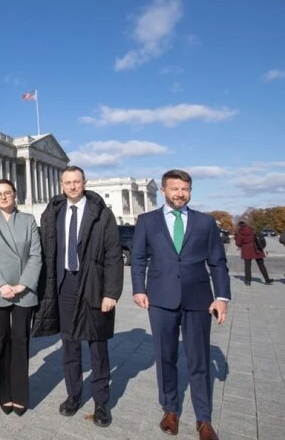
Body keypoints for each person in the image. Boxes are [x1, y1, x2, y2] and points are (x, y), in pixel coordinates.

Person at [131, 169, 230, 440]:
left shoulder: (205, 222)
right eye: (174, 188)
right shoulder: (147, 221)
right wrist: (138, 289)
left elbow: (218, 263)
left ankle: (204, 418)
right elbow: (138, 258)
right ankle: (170, 409)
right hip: (161, 299)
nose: (179, 193)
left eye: (184, 189)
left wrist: (221, 297)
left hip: (198, 299)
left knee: (199, 360)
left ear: (190, 191)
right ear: (163, 190)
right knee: (166, 357)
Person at [32, 165, 123, 428]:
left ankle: (101, 403)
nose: (72, 186)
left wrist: (111, 293)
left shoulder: (102, 214)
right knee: (69, 346)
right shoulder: (53, 212)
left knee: (98, 347)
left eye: (76, 181)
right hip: (65, 285)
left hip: (94, 285)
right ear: (61, 185)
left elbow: (114, 256)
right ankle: (74, 395)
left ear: (85, 183)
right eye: (67, 182)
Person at [0, 179, 41, 416]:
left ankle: (20, 394)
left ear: (15, 194)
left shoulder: (28, 220)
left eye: (7, 193)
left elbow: (36, 255)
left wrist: (23, 284)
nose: (3, 197)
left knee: (21, 340)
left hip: (23, 289)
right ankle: (3, 394)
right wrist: (2, 284)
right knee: (1, 339)